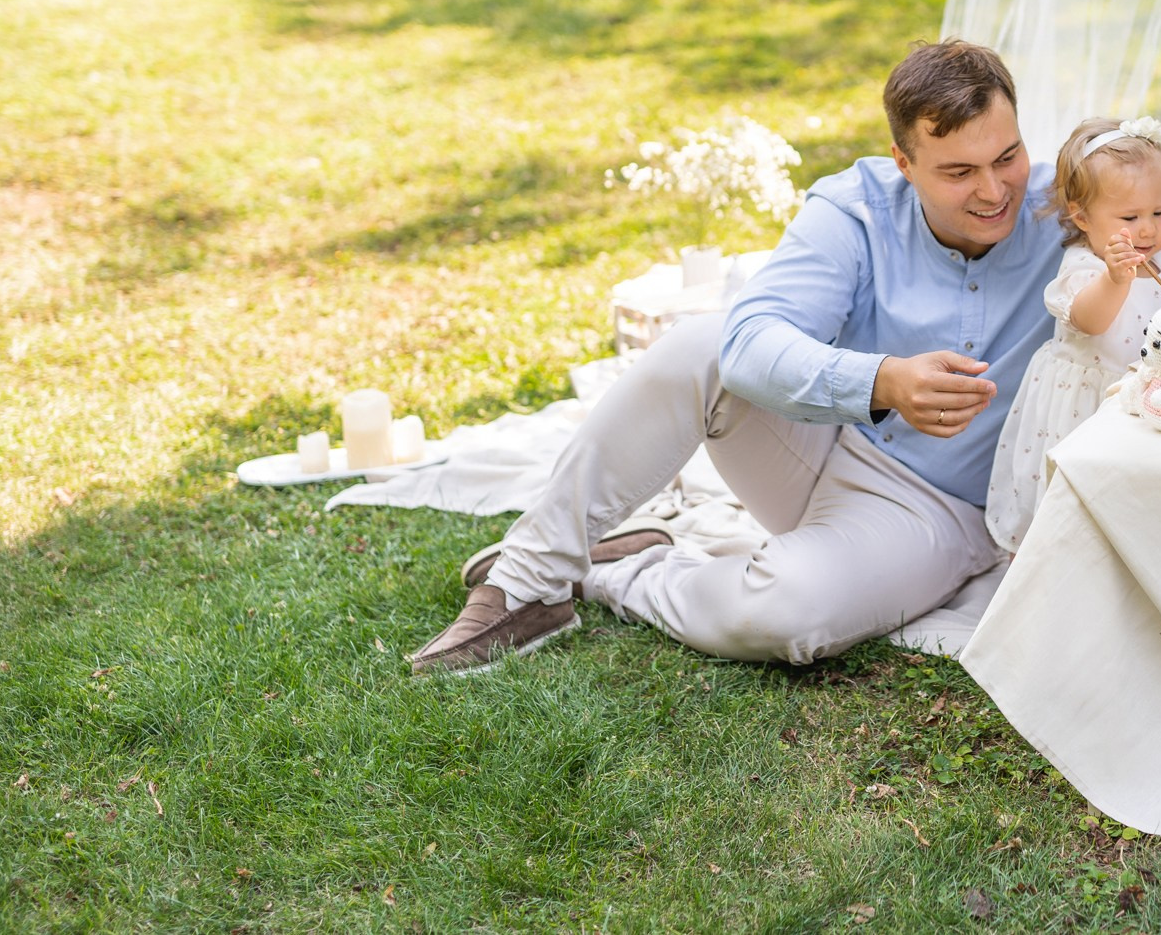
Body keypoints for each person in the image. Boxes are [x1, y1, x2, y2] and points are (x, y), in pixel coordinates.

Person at [408, 40, 1066, 675]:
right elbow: (751, 344)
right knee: (709, 343)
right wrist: (882, 381)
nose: (992, 190)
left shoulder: (1069, 216)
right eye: (958, 172)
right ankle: (527, 579)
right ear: (902, 161)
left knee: (792, 613)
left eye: (1007, 157)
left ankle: (618, 570)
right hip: (826, 436)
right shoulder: (856, 208)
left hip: (935, 507)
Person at [985, 115, 1161, 553]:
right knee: (1089, 496)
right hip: (1089, 405)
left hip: (1156, 394)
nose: (1149, 228)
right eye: (1130, 216)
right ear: (1084, 217)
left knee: (1151, 491)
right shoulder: (1084, 267)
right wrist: (1117, 279)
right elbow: (1091, 320)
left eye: (1160, 211)